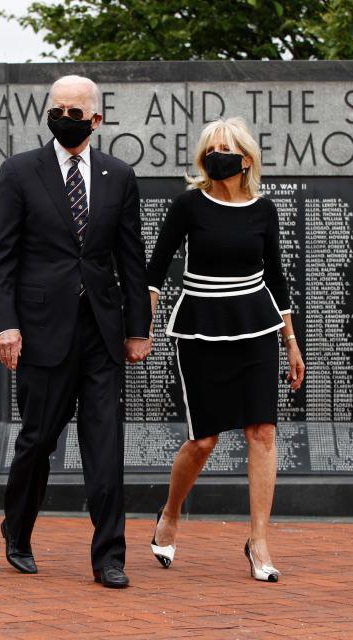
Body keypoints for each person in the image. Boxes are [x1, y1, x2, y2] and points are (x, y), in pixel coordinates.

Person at [0, 75, 152, 588]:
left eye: (75, 111)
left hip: (101, 332)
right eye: (57, 109)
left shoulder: (119, 175)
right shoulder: (19, 172)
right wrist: (6, 325)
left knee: (105, 445)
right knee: (37, 441)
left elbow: (131, 257)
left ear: (96, 120)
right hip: (40, 331)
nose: (65, 117)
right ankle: (18, 531)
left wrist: (138, 329)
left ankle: (109, 557)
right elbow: (0, 258)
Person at [145, 117, 305, 582]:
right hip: (201, 327)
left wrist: (290, 341)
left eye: (225, 148)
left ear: (246, 158)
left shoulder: (264, 210)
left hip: (256, 326)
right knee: (204, 440)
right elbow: (155, 270)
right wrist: (143, 323)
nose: (217, 155)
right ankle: (171, 513)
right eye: (210, 148)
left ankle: (258, 540)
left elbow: (276, 279)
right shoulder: (187, 205)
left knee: (262, 433)